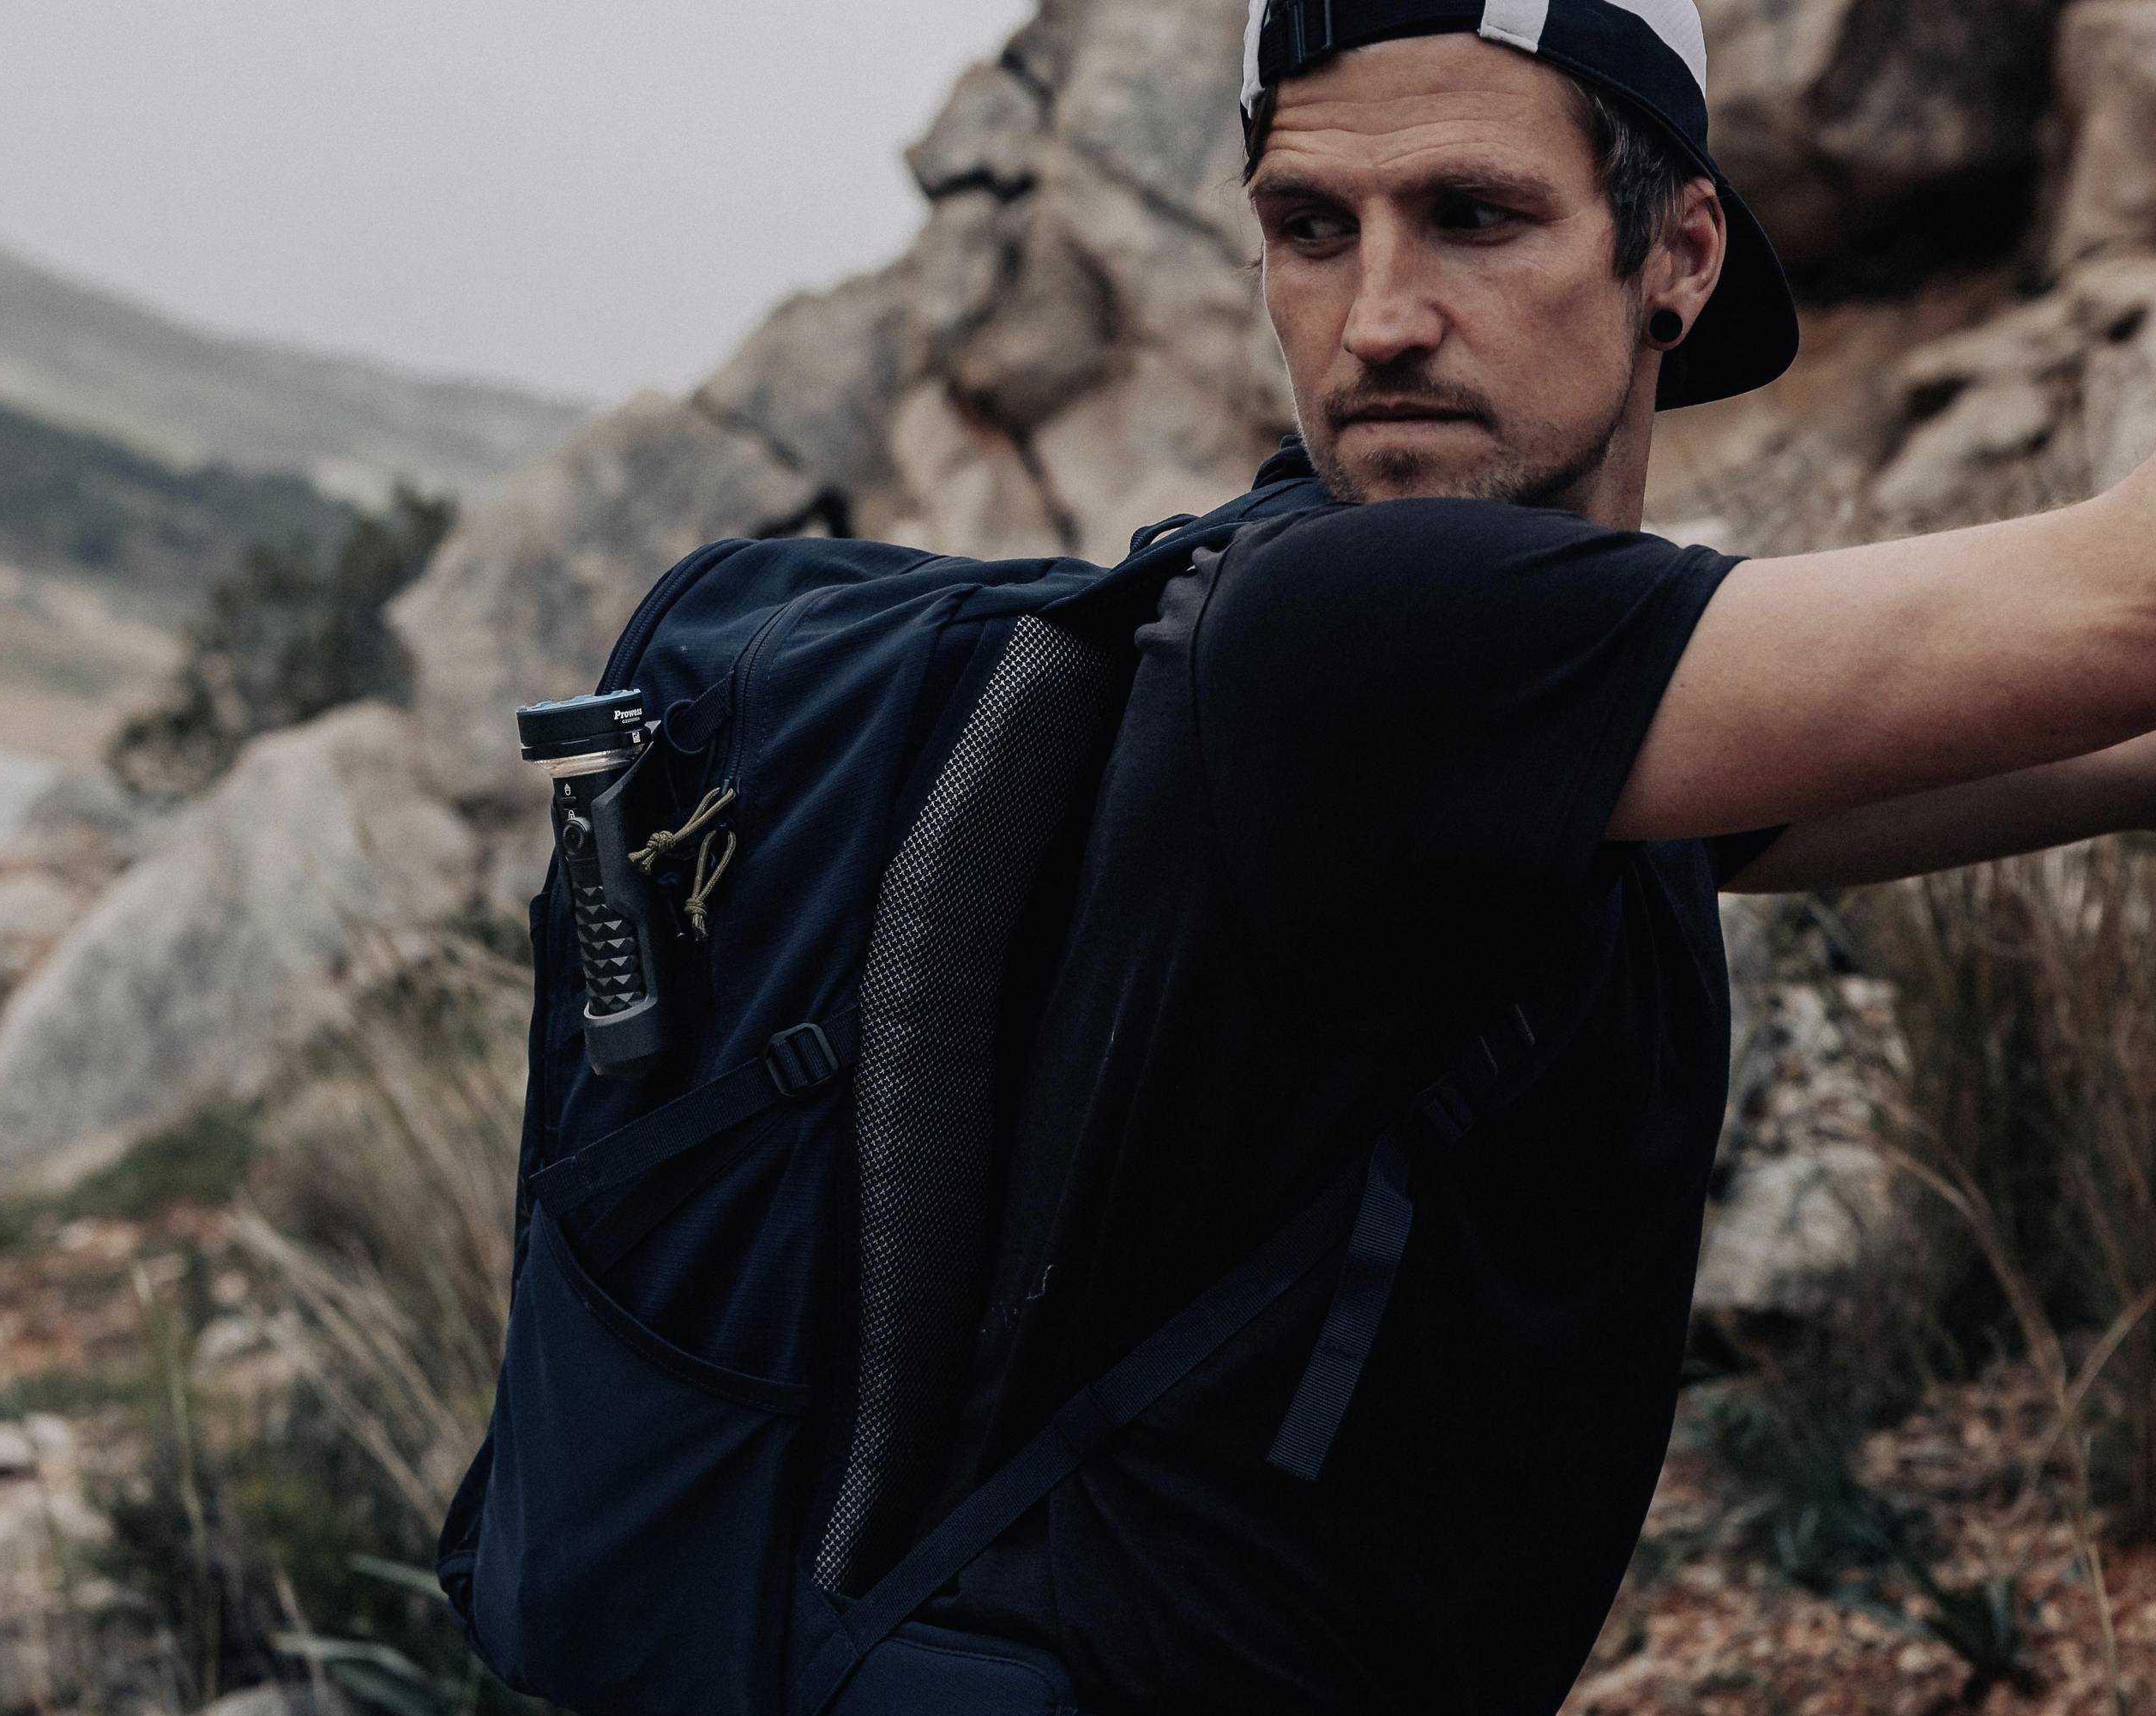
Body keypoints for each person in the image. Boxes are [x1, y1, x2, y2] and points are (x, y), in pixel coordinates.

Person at [912, 2, 2156, 1711]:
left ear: (1682, 252)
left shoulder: (1564, 725)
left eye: (1475, 217)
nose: (1379, 322)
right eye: (1310, 230)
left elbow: (2096, 732)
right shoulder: (1345, 633)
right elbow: (2133, 606)